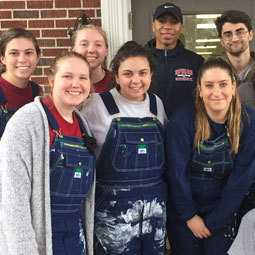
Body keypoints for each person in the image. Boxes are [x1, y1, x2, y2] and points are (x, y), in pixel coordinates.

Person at [0, 51, 96, 255]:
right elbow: (13, 202)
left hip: (75, 236)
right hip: (39, 236)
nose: (75, 84)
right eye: (67, 76)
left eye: (83, 78)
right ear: (51, 80)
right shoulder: (26, 123)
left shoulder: (82, 124)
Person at [81, 41, 167, 254]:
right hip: (113, 215)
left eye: (143, 73)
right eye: (127, 73)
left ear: (151, 75)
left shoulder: (157, 104)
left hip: (155, 211)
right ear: (116, 76)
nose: (136, 80)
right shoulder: (95, 104)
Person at [166, 57, 255, 255]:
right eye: (209, 85)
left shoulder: (248, 121)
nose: (216, 92)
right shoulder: (182, 121)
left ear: (233, 87)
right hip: (185, 211)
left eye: (223, 84)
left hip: (224, 209)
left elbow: (242, 178)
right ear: (199, 89)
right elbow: (176, 174)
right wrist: (190, 216)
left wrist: (217, 220)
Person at [146, 2, 204, 118]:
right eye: (162, 21)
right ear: (153, 26)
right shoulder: (140, 58)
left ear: (181, 28)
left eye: (174, 22)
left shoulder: (195, 61)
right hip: (146, 128)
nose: (167, 26)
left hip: (184, 129)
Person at [0, 27, 41, 138]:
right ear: (3, 58)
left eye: (28, 52)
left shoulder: (36, 92)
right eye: (14, 53)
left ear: (37, 57)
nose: (22, 59)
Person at [215, 10, 254, 86]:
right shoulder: (211, 71)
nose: (235, 39)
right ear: (222, 41)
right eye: (228, 35)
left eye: (240, 32)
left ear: (250, 35)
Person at [71, 24, 110, 93]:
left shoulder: (118, 83)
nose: (91, 50)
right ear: (73, 50)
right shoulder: (66, 84)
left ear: (106, 50)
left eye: (98, 45)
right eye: (84, 44)